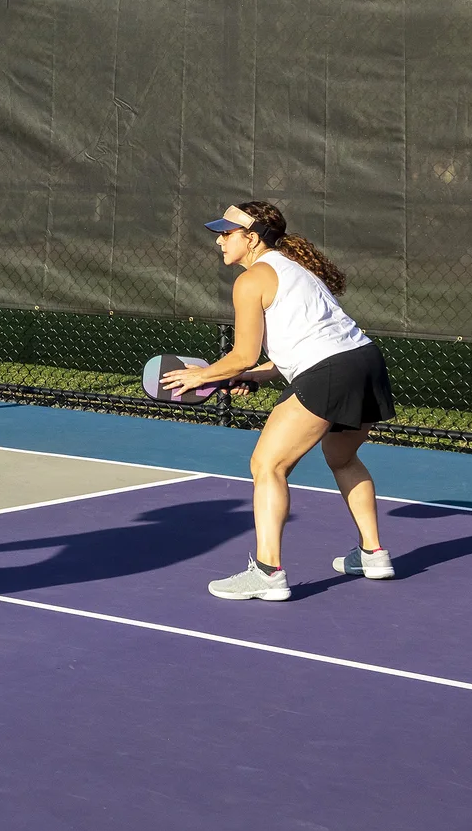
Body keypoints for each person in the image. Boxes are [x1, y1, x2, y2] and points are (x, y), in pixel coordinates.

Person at [163, 202, 398, 600]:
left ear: (250, 237)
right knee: (342, 458)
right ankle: (373, 553)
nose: (220, 240)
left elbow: (241, 355)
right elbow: (293, 348)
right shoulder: (297, 271)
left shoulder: (252, 280)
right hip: (366, 364)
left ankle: (268, 572)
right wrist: (252, 377)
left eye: (227, 233)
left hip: (331, 371)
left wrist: (200, 376)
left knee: (267, 464)